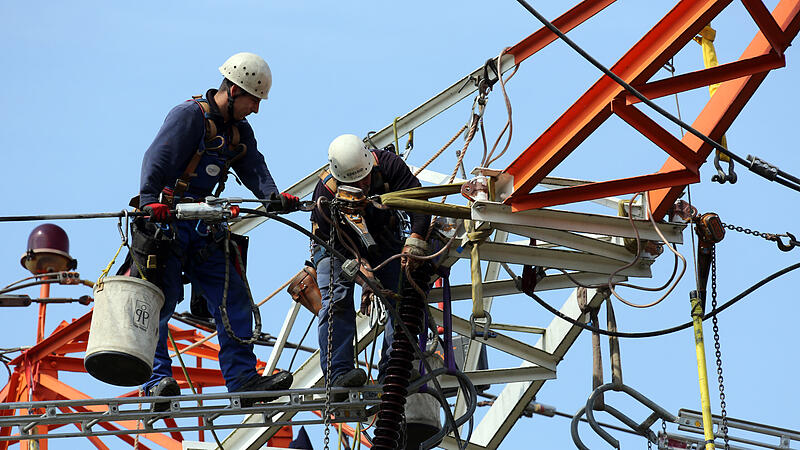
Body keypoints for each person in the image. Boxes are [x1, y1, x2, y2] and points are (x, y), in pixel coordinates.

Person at [130, 52, 298, 409]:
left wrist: (271, 196)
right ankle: (156, 380)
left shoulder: (238, 130)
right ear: (235, 91)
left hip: (203, 227)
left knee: (233, 297)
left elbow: (253, 164)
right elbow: (155, 158)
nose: (255, 109)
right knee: (161, 299)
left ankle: (242, 381)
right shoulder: (189, 116)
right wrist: (149, 199)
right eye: (253, 100)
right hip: (167, 222)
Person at [310, 134, 431, 394]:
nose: (362, 186)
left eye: (364, 179)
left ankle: (394, 367)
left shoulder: (389, 166)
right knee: (338, 298)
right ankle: (338, 374)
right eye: (353, 183)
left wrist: (415, 238)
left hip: (381, 242)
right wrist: (360, 268)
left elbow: (419, 203)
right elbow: (335, 243)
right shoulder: (325, 192)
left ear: (369, 165)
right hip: (335, 248)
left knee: (403, 296)